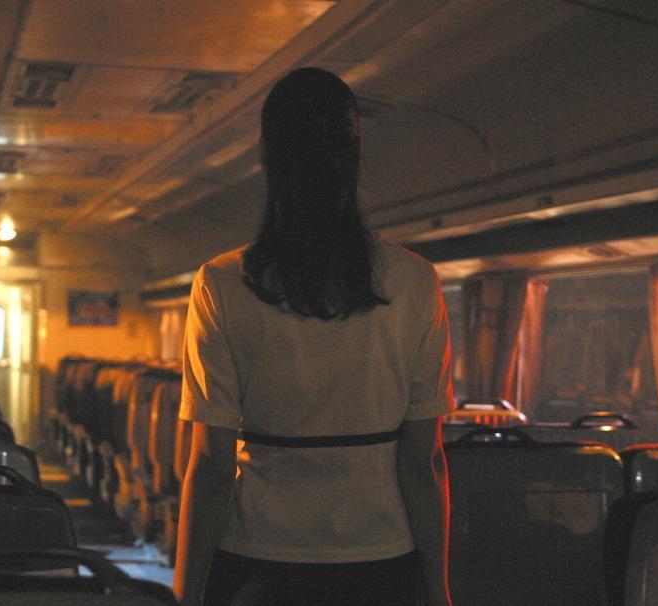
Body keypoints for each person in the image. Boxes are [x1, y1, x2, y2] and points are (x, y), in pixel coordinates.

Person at [173, 67, 454, 606]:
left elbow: (210, 469)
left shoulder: (220, 284)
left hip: (258, 559)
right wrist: (438, 593)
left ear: (266, 158)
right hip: (380, 562)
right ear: (356, 157)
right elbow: (424, 465)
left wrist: (184, 598)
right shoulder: (416, 282)